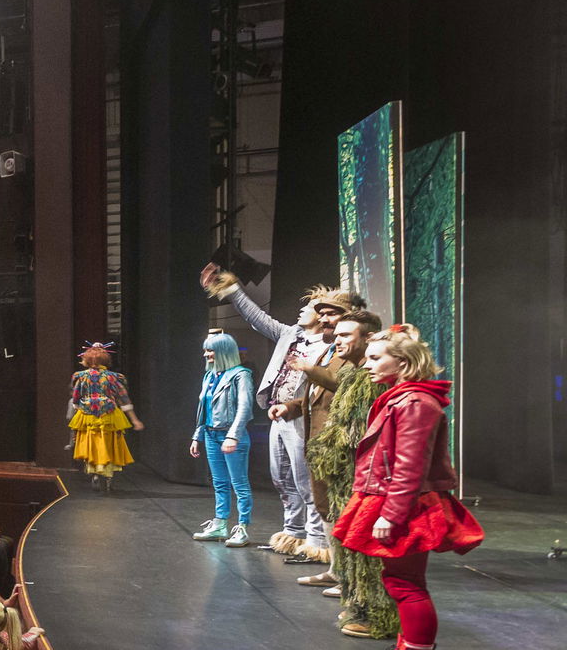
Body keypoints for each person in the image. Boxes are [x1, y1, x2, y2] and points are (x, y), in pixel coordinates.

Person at [328, 325, 482, 650]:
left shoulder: (414, 403)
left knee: (406, 584)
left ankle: (416, 646)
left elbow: (410, 467)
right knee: (401, 581)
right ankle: (410, 643)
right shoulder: (404, 399)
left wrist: (391, 514)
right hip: (396, 500)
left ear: (402, 361)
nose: (367, 364)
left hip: (406, 505)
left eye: (375, 357)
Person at [203, 265, 360, 560]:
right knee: (281, 477)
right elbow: (256, 318)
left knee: (306, 479)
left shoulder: (331, 345)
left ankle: (316, 541)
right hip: (279, 413)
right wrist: (231, 289)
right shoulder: (290, 334)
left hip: (305, 416)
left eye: (311, 309)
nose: (302, 312)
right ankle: (293, 532)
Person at [299, 311, 395, 637]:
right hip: (347, 478)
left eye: (345, 335)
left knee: (367, 553)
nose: (337, 340)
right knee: (350, 545)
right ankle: (358, 605)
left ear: (368, 339)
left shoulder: (370, 383)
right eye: (336, 334)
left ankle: (375, 616)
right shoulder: (353, 377)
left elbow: (355, 436)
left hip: (362, 480)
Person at [190, 330, 256, 547]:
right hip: (210, 434)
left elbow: (245, 409)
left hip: (231, 435)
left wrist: (233, 436)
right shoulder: (209, 376)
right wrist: (197, 436)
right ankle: (220, 524)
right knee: (219, 483)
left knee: (239, 484)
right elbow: (204, 409)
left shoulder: (241, 374)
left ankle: (243, 527)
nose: (206, 355)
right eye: (205, 350)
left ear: (223, 351)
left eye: (210, 350)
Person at [66, 343, 143, 490]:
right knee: (108, 445)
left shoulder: (81, 377)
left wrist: (76, 411)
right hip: (109, 414)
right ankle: (108, 477)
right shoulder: (113, 377)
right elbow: (123, 398)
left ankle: (95, 473)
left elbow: (76, 398)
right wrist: (134, 420)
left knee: (92, 445)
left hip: (87, 415)